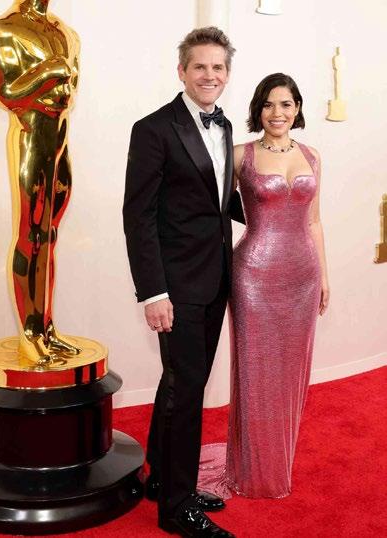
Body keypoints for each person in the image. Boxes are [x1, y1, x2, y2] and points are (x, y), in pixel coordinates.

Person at [123, 27, 244, 537]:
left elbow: (215, 202)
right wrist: (153, 292)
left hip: (215, 279)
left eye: (218, 67)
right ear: (182, 71)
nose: (209, 75)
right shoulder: (153, 129)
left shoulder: (226, 125)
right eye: (200, 66)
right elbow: (138, 217)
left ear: (227, 74)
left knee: (178, 383)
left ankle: (161, 478)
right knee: (187, 392)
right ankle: (178, 507)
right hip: (175, 288)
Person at [198, 73, 330, 499]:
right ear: (258, 109)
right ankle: (251, 468)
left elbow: (314, 221)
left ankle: (278, 460)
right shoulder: (241, 154)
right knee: (256, 372)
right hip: (253, 275)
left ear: (297, 108)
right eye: (269, 104)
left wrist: (325, 276)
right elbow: (212, 211)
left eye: (286, 104)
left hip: (303, 275)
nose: (278, 113)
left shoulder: (312, 156)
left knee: (292, 371)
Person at [0, 0, 80, 364]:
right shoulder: (5, 29)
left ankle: (46, 328)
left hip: (59, 135)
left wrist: (59, 75)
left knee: (50, 234)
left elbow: (70, 89)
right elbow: (7, 93)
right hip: (31, 130)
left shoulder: (65, 32)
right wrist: (48, 70)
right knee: (32, 234)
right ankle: (29, 332)